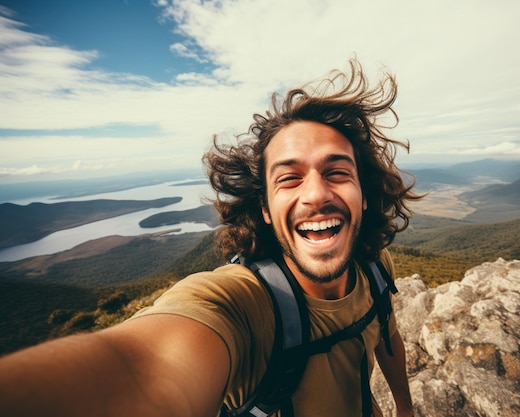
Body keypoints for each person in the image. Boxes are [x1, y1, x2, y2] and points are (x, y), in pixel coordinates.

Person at [0, 58, 421, 417]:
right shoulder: (244, 305)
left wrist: (404, 408)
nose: (315, 193)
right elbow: (140, 369)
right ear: (264, 211)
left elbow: (387, 336)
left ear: (363, 196)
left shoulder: (375, 266)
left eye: (337, 172)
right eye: (289, 179)